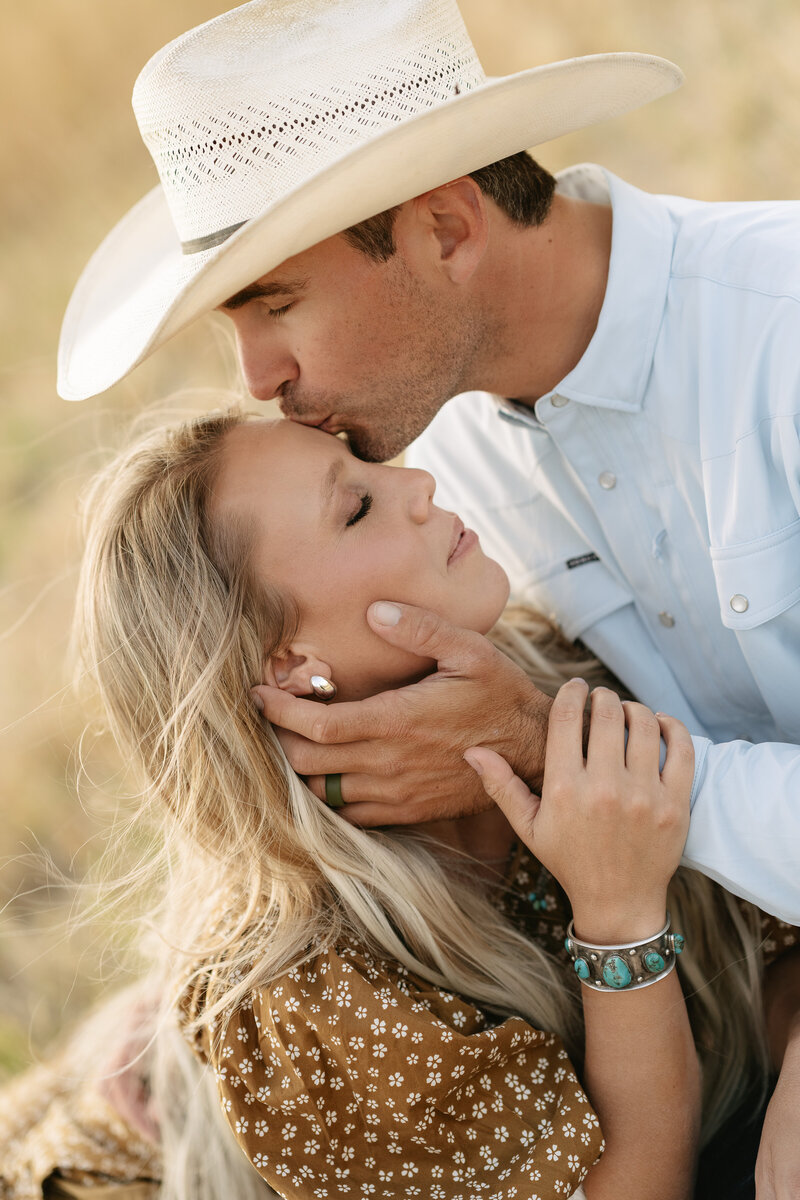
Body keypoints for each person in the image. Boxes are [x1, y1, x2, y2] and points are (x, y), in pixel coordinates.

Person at [57, 0, 800, 927]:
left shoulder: (784, 330)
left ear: (446, 228)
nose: (255, 379)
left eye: (277, 304)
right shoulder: (443, 463)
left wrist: (540, 748)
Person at [64, 406, 800, 1200]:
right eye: (357, 506)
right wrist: (618, 917)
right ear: (289, 666)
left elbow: (763, 945)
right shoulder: (310, 994)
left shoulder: (560, 665)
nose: (419, 481)